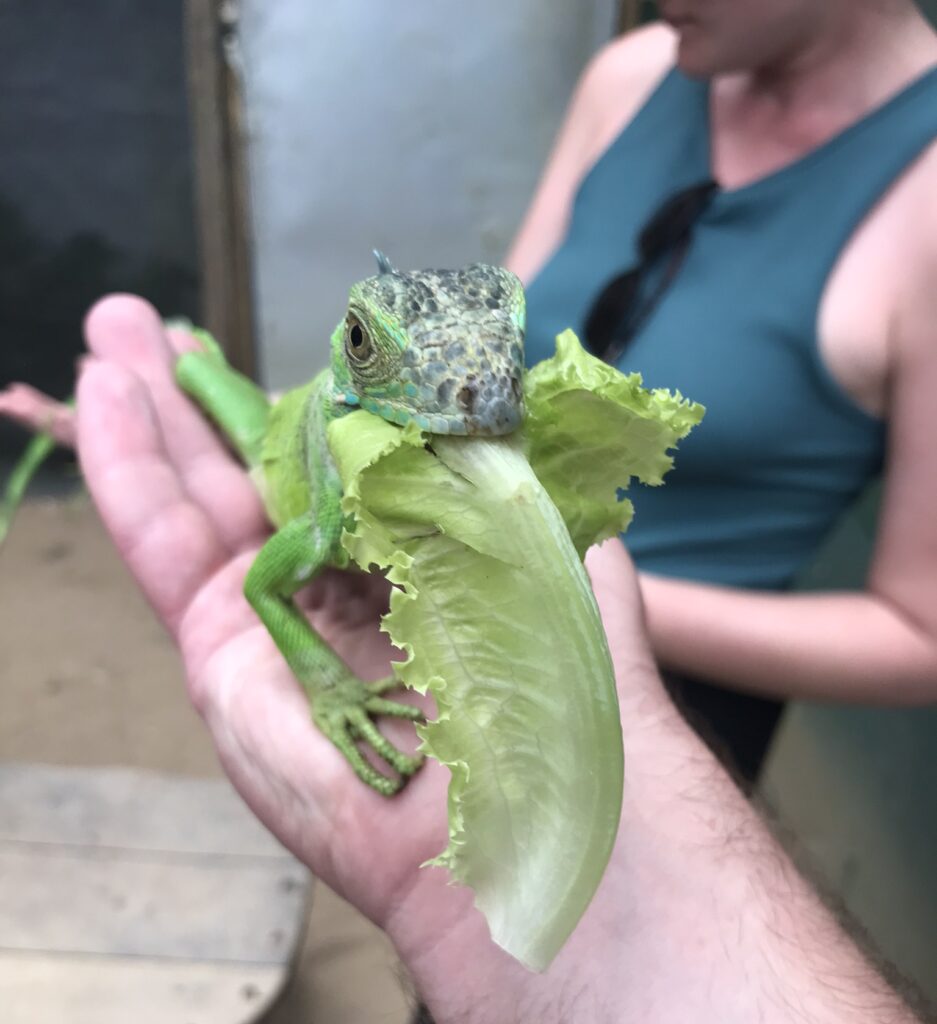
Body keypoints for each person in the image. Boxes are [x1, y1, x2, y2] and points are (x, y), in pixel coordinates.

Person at [73, 294, 921, 1024]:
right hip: (278, 433)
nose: (471, 394)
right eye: (371, 353)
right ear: (352, 362)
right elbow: (266, 586)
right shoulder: (327, 513)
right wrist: (330, 687)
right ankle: (165, 368)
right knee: (193, 375)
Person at [507, 0, 937, 784]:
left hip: (667, 737)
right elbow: (497, 347)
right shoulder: (632, 75)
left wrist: (575, 592)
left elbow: (920, 637)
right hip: (472, 642)